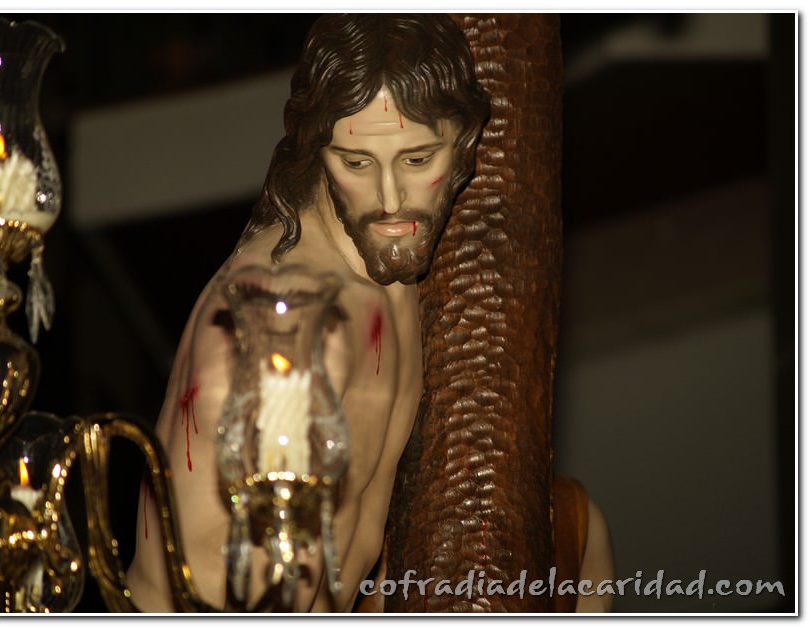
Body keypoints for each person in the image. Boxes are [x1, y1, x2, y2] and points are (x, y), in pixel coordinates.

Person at [126, 14, 613, 613]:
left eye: (418, 159)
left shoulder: (384, 264)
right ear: (317, 150)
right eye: (356, 163)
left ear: (465, 141)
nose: (389, 199)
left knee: (581, 529)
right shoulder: (291, 329)